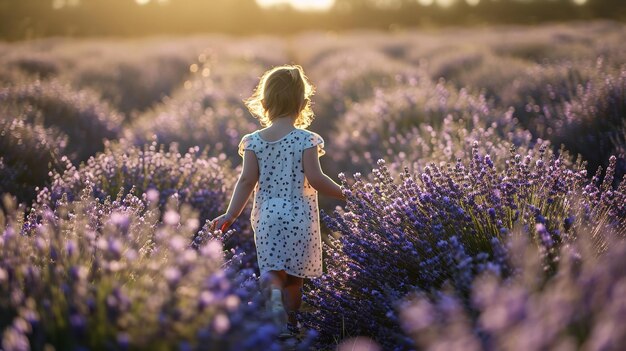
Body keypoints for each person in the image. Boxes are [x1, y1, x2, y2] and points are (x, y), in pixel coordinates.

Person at [209, 64, 345, 339]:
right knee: (294, 279)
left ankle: (272, 300)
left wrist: (230, 215)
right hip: (300, 216)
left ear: (264, 103)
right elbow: (316, 179)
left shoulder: (254, 142)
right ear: (303, 103)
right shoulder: (305, 140)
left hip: (267, 216)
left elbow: (246, 181)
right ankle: (291, 327)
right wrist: (346, 193)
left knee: (273, 270)